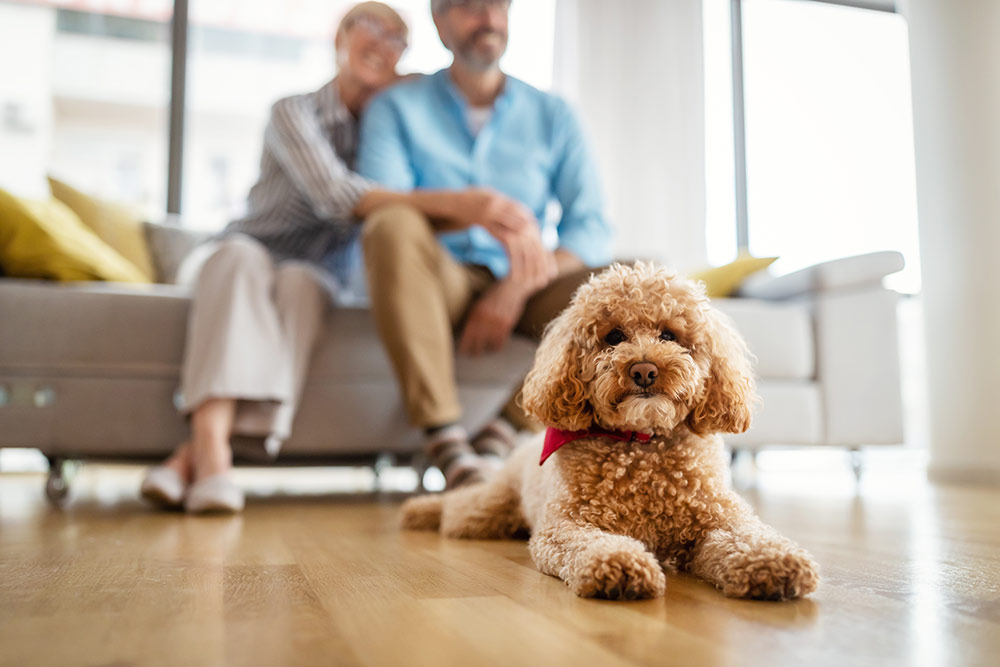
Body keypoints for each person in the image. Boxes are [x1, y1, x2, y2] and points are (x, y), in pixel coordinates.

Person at [140, 1, 522, 513]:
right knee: (238, 263)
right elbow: (339, 197)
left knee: (302, 287)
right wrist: (467, 205)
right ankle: (212, 457)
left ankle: (185, 459)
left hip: (316, 270)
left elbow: (406, 200)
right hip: (248, 249)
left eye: (397, 39)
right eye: (370, 27)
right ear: (339, 39)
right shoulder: (294, 111)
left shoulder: (388, 127)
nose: (382, 43)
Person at [357, 0, 614, 489]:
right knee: (389, 223)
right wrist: (465, 206)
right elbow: (380, 200)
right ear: (440, 20)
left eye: (499, 5)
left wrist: (517, 284)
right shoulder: (395, 107)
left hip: (528, 277)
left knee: (624, 287)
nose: (489, 19)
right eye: (471, 7)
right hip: (439, 276)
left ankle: (503, 434)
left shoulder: (553, 113)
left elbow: (592, 225)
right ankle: (446, 442)